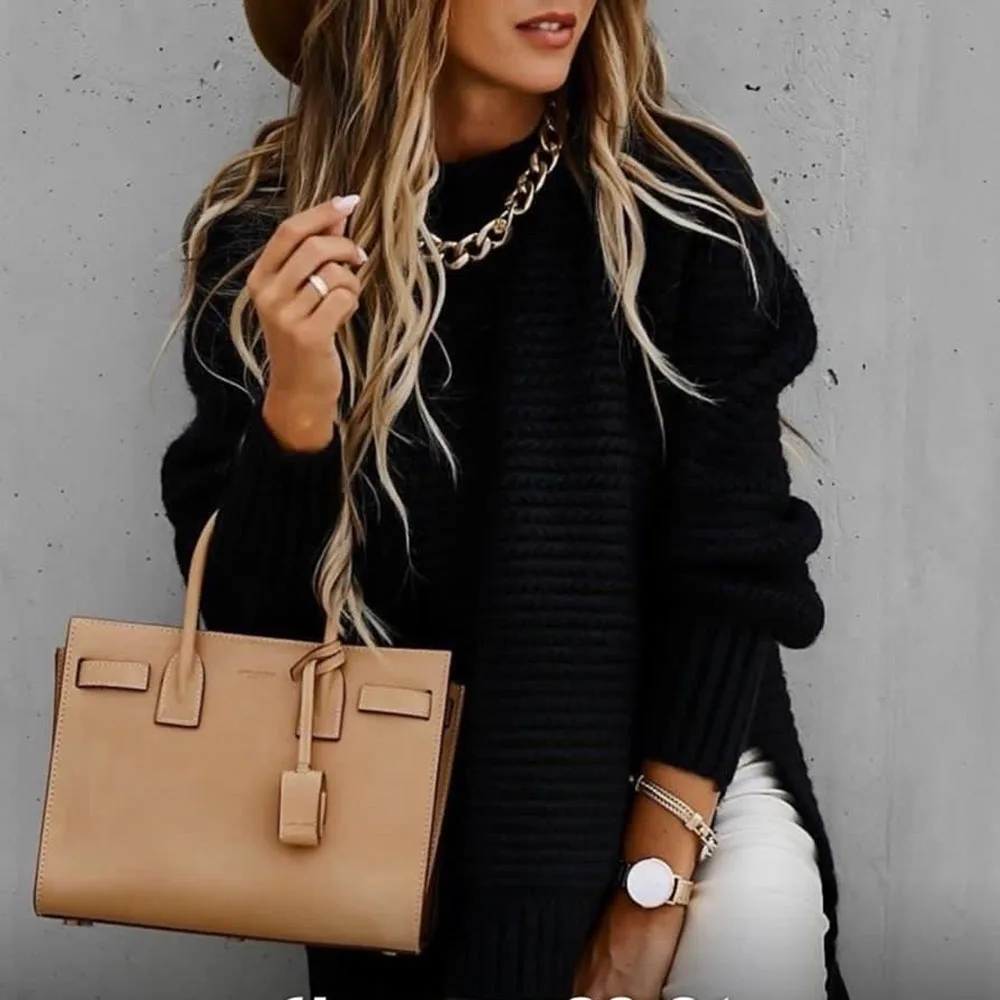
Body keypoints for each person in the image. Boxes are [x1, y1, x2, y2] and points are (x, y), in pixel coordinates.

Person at [157, 2, 849, 999]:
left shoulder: (675, 206)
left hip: (688, 807)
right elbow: (255, 641)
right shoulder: (272, 237)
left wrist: (646, 905)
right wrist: (299, 401)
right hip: (398, 847)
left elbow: (733, 568)